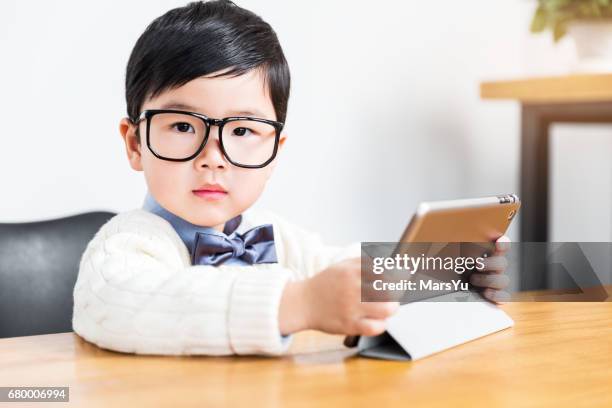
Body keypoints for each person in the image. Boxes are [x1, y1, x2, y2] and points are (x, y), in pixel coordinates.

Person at [72, 0, 509, 356]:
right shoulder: (126, 245)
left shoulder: (276, 237)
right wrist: (296, 304)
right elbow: (127, 304)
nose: (213, 157)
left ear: (274, 152)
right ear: (134, 144)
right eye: (183, 126)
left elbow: (343, 272)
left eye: (242, 131)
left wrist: (446, 275)